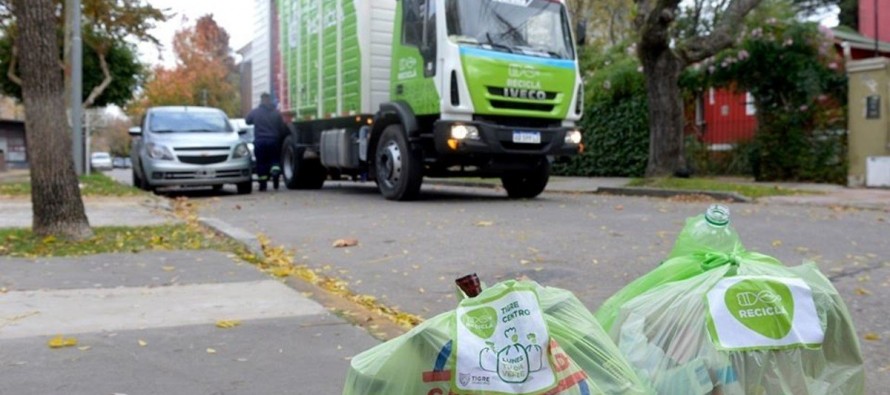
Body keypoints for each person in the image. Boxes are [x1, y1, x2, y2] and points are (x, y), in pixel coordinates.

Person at [246, 93, 289, 191]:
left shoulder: (256, 112)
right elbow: (282, 128)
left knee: (261, 163)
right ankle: (275, 180)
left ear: (261, 100)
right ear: (270, 100)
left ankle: (263, 184)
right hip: (273, 141)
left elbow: (247, 121)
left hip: (260, 141)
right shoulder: (276, 113)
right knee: (275, 161)